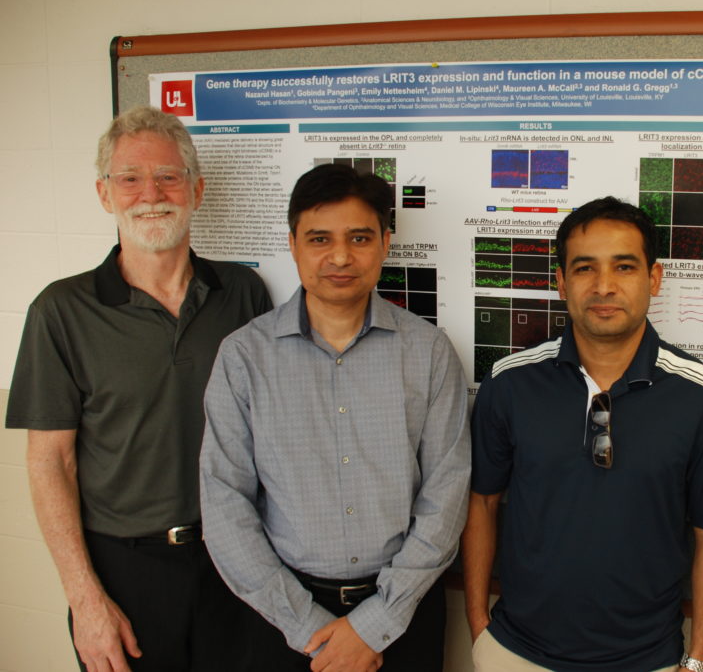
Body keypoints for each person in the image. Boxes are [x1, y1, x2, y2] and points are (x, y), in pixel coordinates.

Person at [5, 106, 273, 672]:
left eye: (168, 176)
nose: (151, 192)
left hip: (239, 561)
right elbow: (49, 463)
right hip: (125, 572)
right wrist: (85, 599)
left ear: (196, 190)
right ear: (105, 194)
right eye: (129, 178)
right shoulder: (60, 311)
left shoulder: (243, 294)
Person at [199, 163, 470, 672]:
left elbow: (446, 494)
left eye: (360, 237)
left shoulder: (429, 352)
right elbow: (224, 501)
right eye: (319, 238)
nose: (340, 256)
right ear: (293, 244)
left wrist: (374, 625)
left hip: (404, 613)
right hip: (284, 620)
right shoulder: (243, 357)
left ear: (386, 243)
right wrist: (308, 629)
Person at [463, 196, 703, 672]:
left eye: (624, 267)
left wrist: (697, 660)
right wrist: (477, 629)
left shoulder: (702, 395)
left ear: (653, 278)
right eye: (584, 268)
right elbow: (482, 502)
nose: (604, 286)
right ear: (561, 281)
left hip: (649, 659)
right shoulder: (510, 382)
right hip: (514, 653)